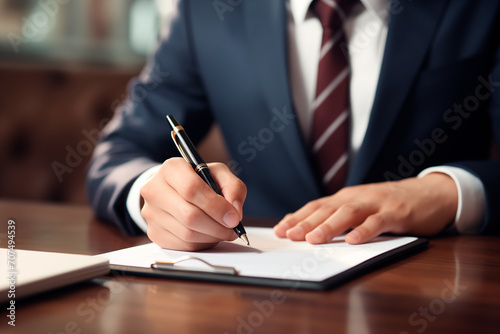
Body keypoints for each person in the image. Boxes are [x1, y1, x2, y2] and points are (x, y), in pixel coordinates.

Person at [86, 0, 500, 251]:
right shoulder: (206, 10)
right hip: (260, 283)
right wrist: (151, 195)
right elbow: (117, 154)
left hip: (433, 284)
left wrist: (449, 193)